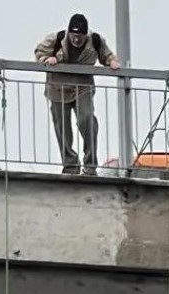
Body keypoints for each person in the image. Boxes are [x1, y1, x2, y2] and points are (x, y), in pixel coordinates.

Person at [34, 13, 121, 175]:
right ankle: (70, 165)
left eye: (80, 36)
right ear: (69, 33)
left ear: (85, 34)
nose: (76, 40)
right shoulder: (56, 39)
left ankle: (90, 164)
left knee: (86, 118)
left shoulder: (95, 40)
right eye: (74, 36)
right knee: (63, 128)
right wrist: (47, 59)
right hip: (57, 88)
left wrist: (112, 62)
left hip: (82, 87)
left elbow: (107, 55)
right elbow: (39, 52)